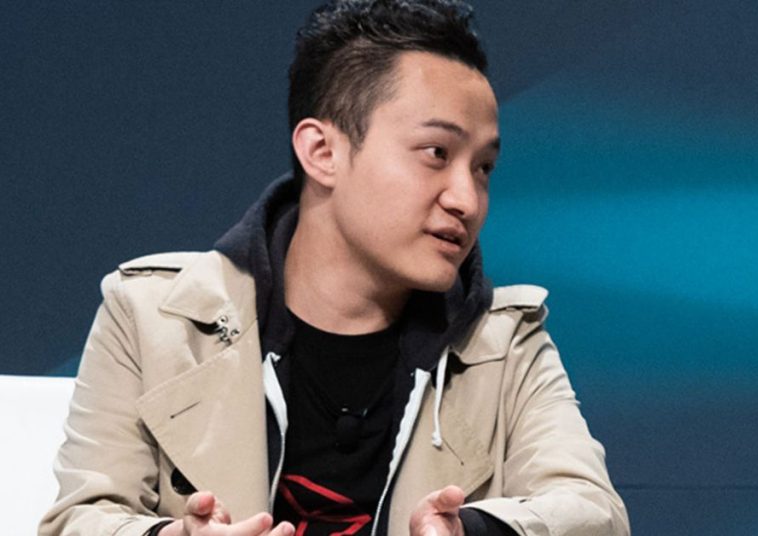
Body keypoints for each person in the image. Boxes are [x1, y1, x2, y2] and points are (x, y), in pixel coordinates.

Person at [39, 1, 629, 535]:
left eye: (483, 168)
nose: (466, 200)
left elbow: (593, 513)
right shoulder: (151, 317)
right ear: (322, 152)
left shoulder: (506, 342)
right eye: (437, 154)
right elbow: (79, 520)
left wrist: (470, 532)